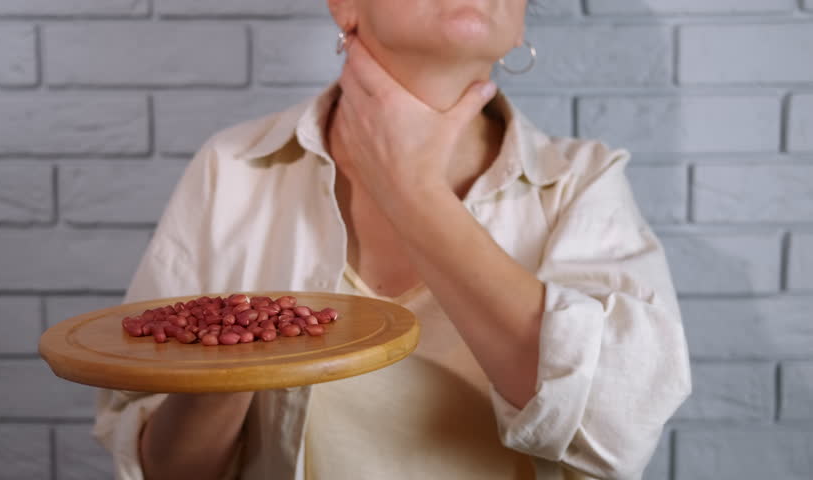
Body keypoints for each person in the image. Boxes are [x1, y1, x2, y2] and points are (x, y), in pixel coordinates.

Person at [93, 1, 692, 479]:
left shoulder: (581, 184)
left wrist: (412, 192)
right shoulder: (234, 168)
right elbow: (161, 468)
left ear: (520, 27)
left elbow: (620, 434)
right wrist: (226, 368)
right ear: (343, 5)